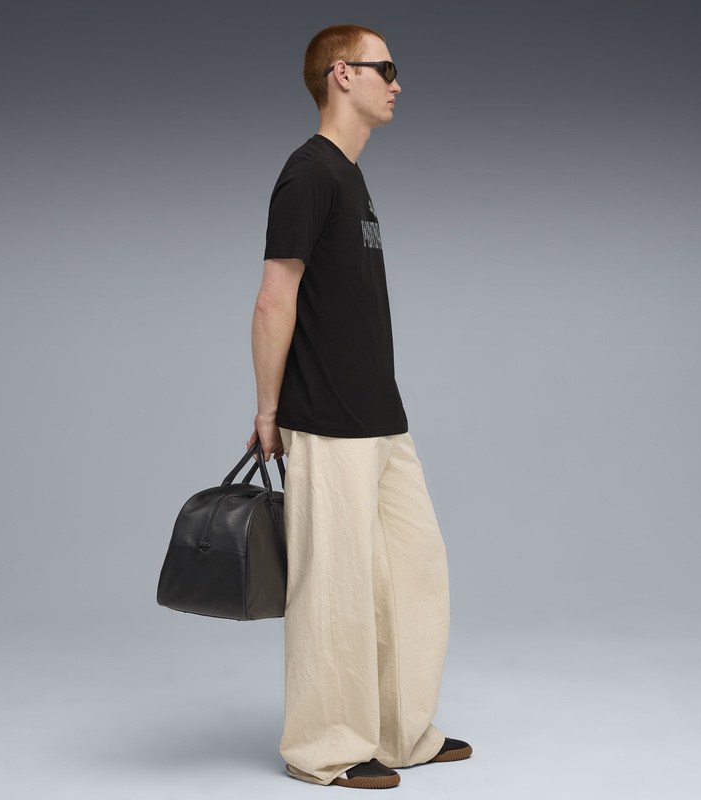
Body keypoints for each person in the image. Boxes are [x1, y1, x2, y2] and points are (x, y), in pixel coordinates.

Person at [248, 24, 472, 790]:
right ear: (343, 75)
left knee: (414, 571)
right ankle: (325, 748)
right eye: (387, 68)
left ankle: (401, 733)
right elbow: (274, 298)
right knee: (334, 589)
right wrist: (269, 412)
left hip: (381, 418)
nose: (397, 83)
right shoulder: (308, 173)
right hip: (325, 419)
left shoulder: (351, 177)